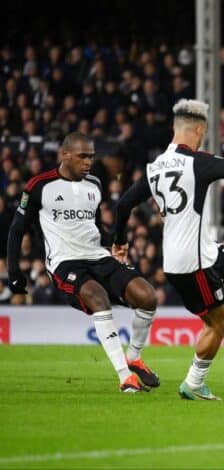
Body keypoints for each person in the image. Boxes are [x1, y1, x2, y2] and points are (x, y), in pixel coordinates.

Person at [113, 99, 224, 400]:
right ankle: (193, 384)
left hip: (200, 250)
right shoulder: (198, 162)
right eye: (204, 133)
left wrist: (119, 240)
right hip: (190, 264)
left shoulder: (154, 168)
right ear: (198, 130)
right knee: (218, 323)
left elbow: (123, 204)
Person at [7, 132, 159, 393]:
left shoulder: (95, 184)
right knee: (98, 297)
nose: (88, 162)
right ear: (65, 155)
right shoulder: (39, 185)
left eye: (91, 156)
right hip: (65, 263)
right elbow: (16, 229)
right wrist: (14, 271)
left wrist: (114, 242)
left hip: (97, 256)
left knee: (147, 296)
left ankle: (134, 357)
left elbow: (95, 225)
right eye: (82, 156)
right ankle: (125, 376)